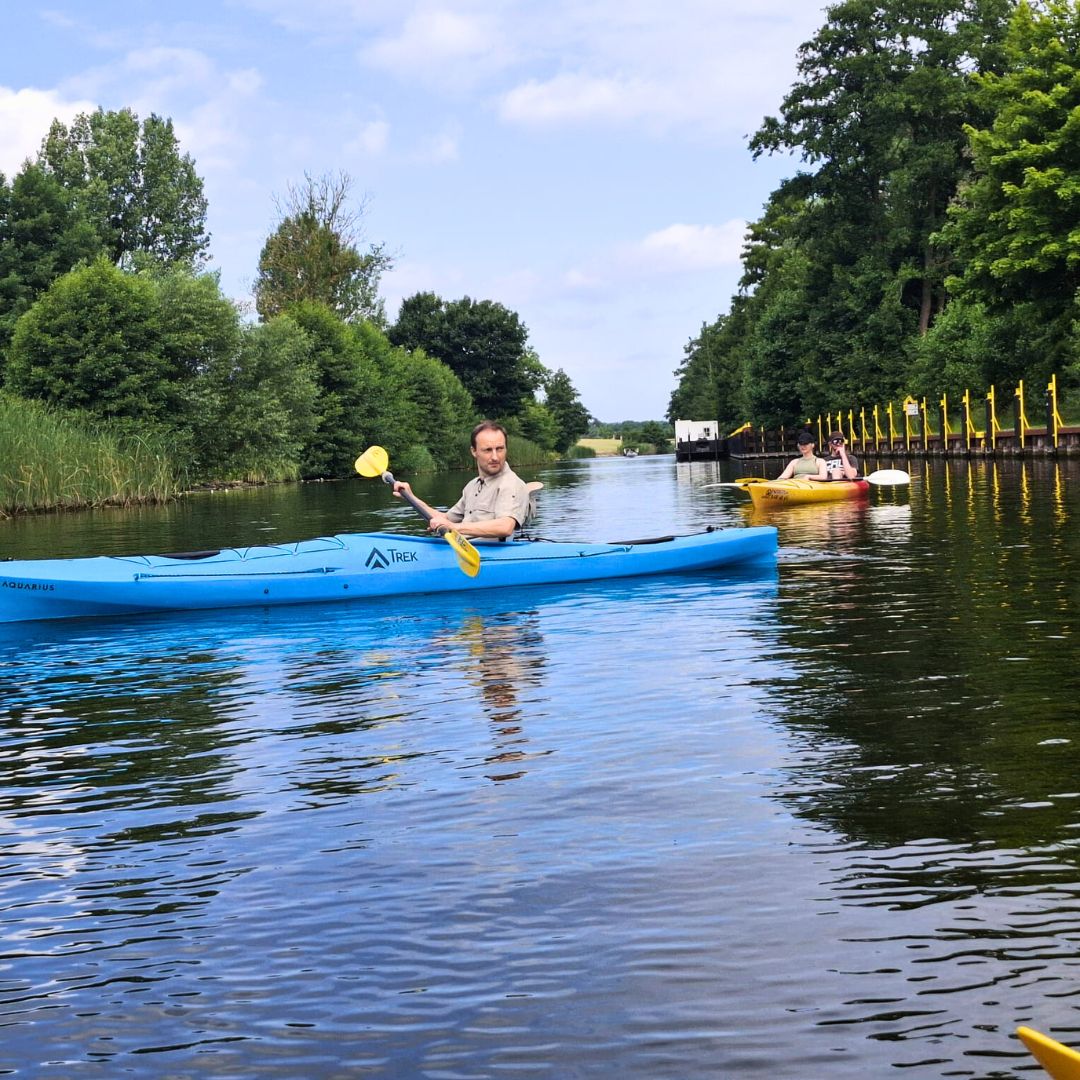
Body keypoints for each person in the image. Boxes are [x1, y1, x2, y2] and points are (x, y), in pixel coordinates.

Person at [392, 421, 530, 540]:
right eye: (488, 450)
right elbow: (445, 519)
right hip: (463, 549)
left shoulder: (511, 484)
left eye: (499, 449)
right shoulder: (471, 487)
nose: (495, 457)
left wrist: (454, 527)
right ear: (474, 451)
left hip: (489, 557)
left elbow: (505, 527)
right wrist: (410, 497)